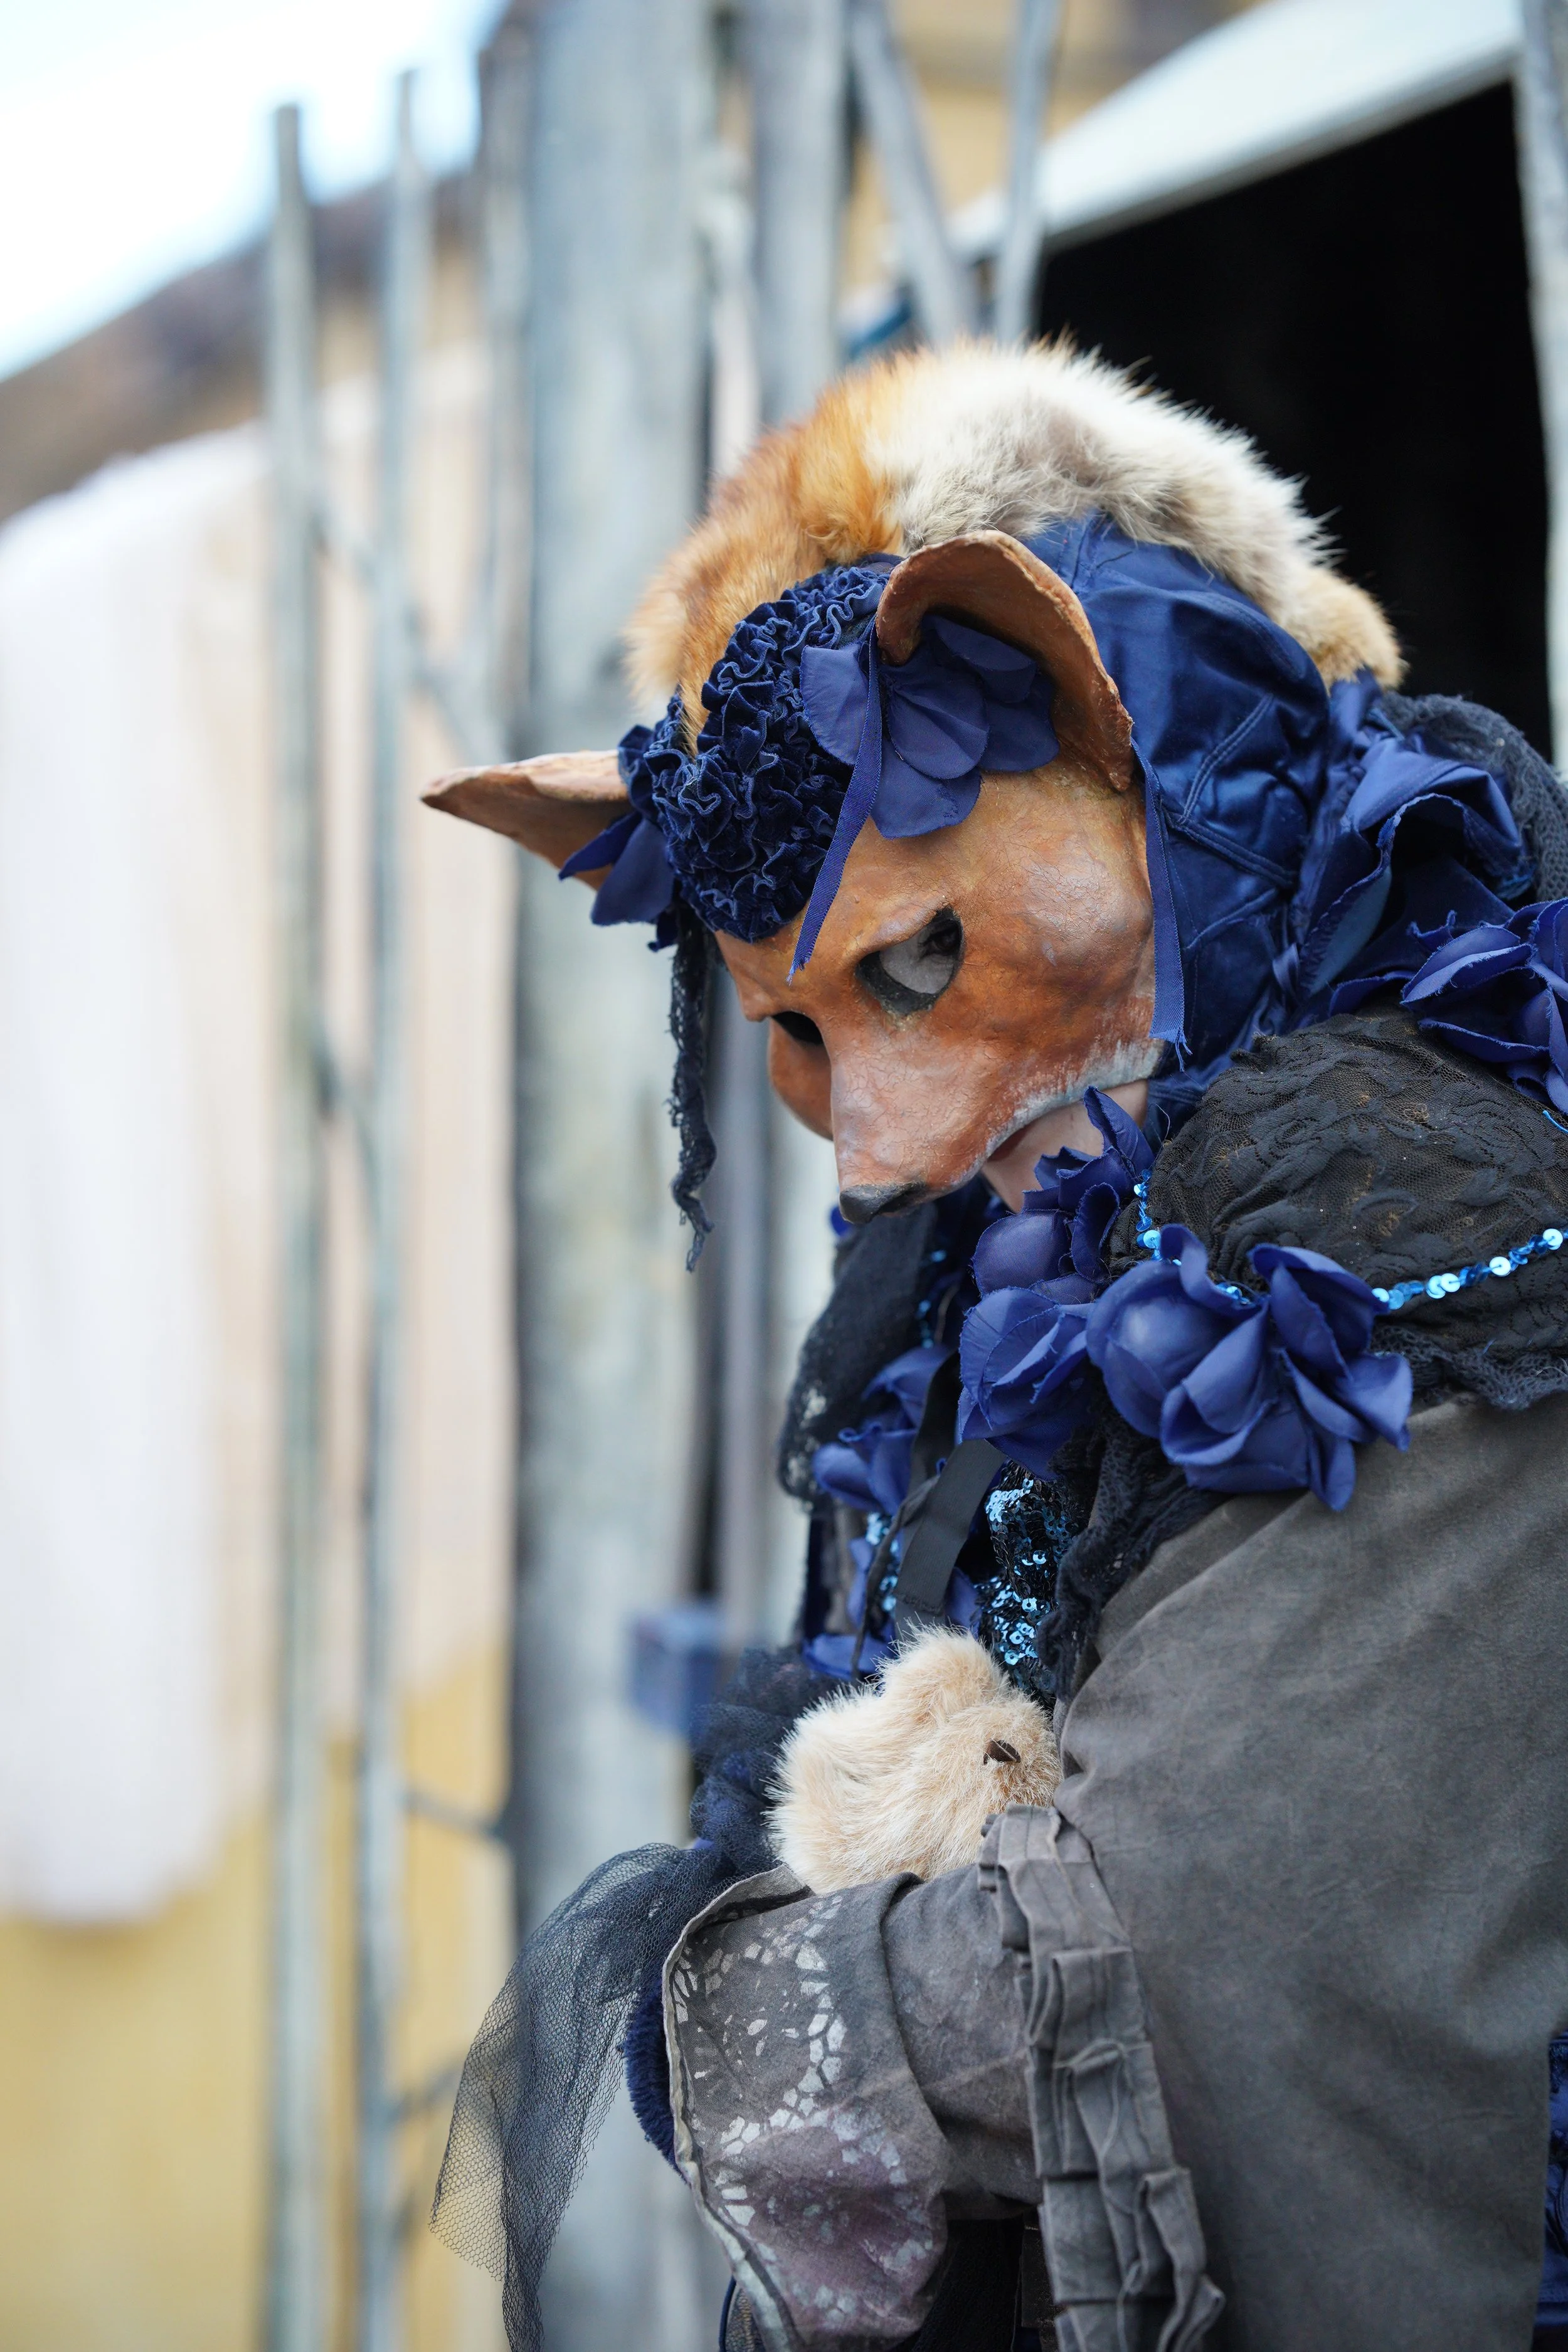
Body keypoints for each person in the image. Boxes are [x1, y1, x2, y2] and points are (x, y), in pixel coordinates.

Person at [426, 342, 1568, 2351]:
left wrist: (780, 1967)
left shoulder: (1396, 1182)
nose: (876, 1146)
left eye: (922, 956)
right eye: (796, 1032)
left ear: (1149, 769)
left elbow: (1171, 1951)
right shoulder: (1024, 1225)